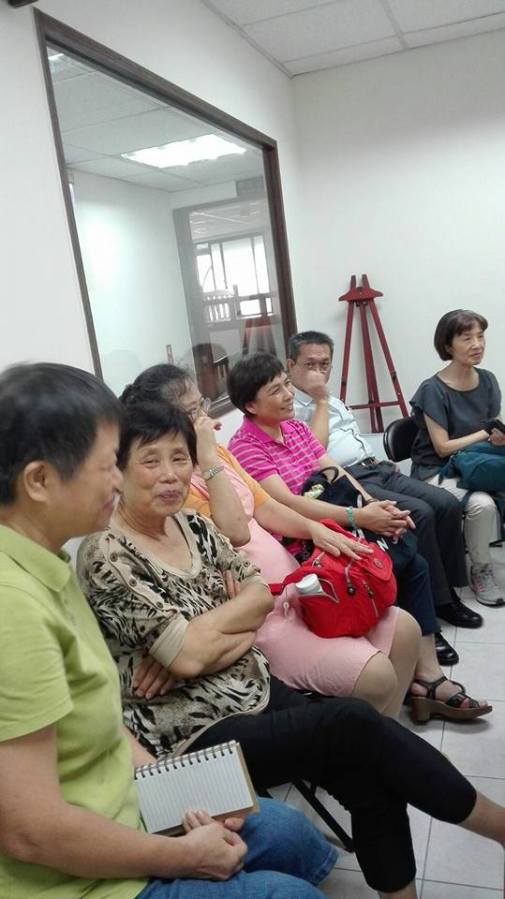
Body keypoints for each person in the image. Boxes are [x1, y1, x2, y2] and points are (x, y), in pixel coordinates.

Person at [75, 398, 505, 899]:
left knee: (367, 769)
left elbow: (257, 598)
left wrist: (206, 638)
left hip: (255, 686)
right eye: (151, 461)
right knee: (354, 723)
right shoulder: (107, 552)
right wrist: (212, 636)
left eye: (180, 457)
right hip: (190, 731)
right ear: (118, 470)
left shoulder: (194, 525)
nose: (170, 474)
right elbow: (191, 654)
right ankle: (498, 825)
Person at [0, 362, 341, 899]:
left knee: (288, 833)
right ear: (39, 481)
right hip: (82, 878)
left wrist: (176, 792)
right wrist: (184, 855)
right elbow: (30, 831)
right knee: (287, 890)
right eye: (107, 466)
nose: (120, 481)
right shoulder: (14, 608)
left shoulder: (48, 564)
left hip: (127, 798)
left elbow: (108, 727)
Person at [119, 364, 420, 719]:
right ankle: (363, 740)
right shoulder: (176, 484)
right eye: (194, 410)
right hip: (261, 611)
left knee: (405, 631)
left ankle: (383, 736)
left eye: (202, 405)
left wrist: (316, 529)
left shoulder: (220, 457)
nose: (205, 418)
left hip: (298, 587)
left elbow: (266, 507)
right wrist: (207, 458)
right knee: (376, 676)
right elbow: (236, 531)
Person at [227, 352, 490, 720]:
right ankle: (407, 671)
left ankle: (425, 672)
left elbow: (334, 470)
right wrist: (357, 516)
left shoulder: (296, 428)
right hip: (303, 539)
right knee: (376, 566)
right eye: (276, 390)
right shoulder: (244, 447)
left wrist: (372, 505)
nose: (288, 395)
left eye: (286, 385)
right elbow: (286, 503)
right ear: (251, 405)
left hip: (334, 521)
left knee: (411, 558)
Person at [286, 329, 482, 653]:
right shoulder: (290, 406)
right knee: (419, 514)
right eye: (310, 364)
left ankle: (448, 595)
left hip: (377, 468)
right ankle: (429, 613)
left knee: (446, 503)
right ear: (291, 365)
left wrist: (326, 400)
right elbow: (312, 452)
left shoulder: (332, 398)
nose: (319, 372)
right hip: (347, 481)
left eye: (325, 364)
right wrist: (319, 400)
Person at [411, 309, 505, 607]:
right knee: (482, 504)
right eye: (467, 338)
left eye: (481, 336)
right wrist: (485, 433)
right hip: (437, 470)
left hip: (475, 463)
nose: (477, 344)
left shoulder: (487, 380)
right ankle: (481, 570)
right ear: (448, 346)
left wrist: (497, 435)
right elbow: (442, 447)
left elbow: (491, 431)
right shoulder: (432, 389)